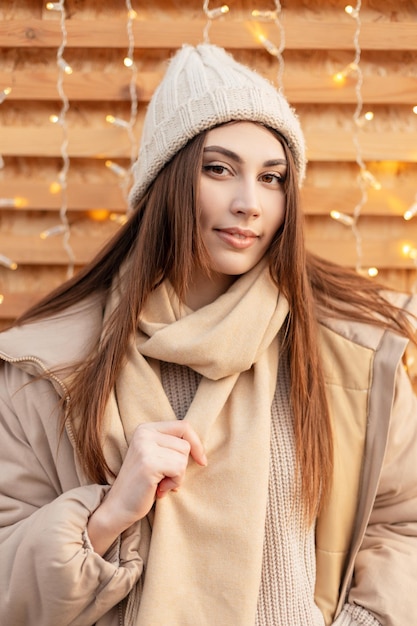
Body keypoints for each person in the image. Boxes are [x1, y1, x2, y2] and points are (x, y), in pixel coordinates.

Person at [0, 43, 416, 626]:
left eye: (272, 178)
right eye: (218, 169)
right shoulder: (47, 368)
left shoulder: (349, 354)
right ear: (165, 182)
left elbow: (403, 524)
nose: (249, 203)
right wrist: (106, 516)